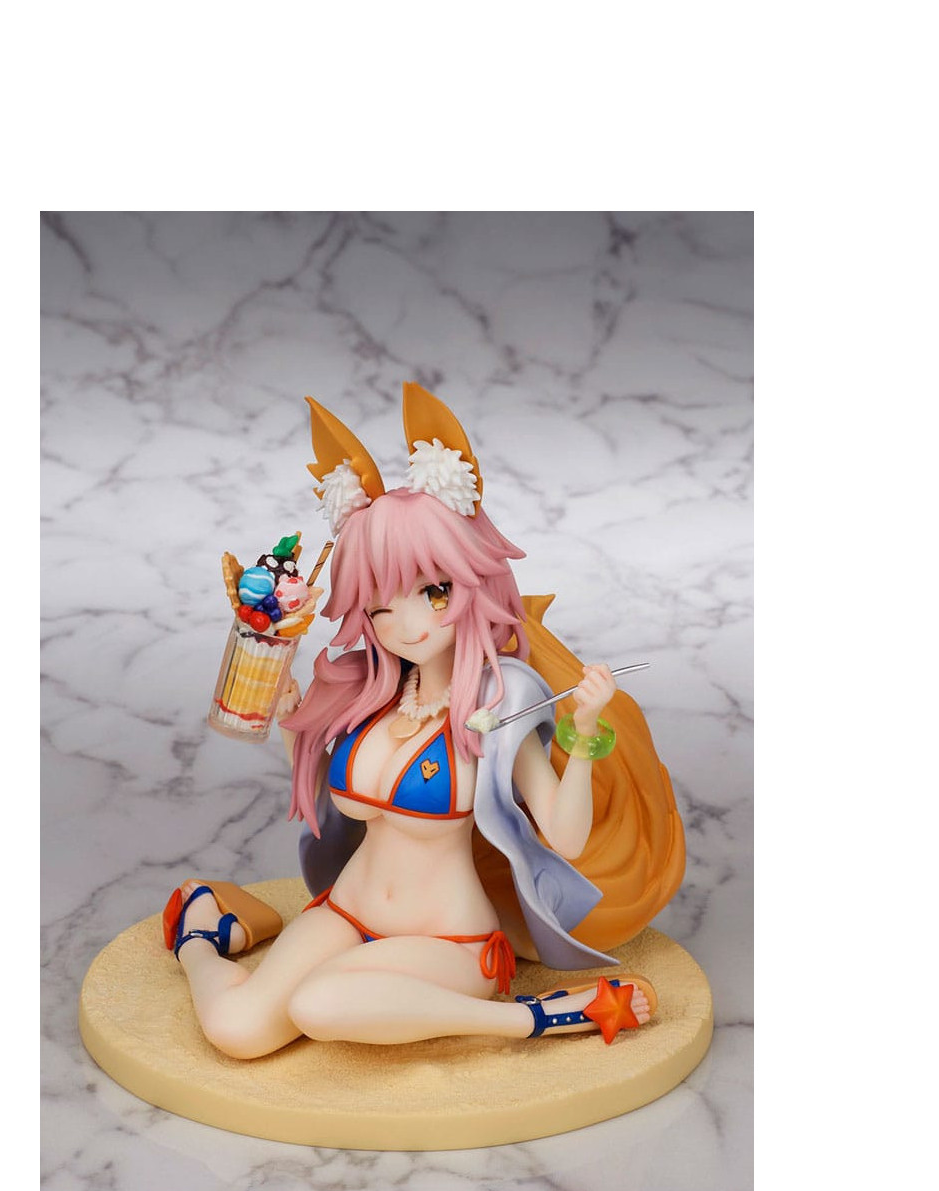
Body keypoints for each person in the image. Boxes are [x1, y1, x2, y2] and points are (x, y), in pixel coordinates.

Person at [162, 385, 657, 1059]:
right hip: (347, 911)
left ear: (472, 582)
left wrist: (587, 730)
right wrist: (291, 720)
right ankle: (202, 930)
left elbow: (565, 839)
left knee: (319, 1004)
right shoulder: (369, 692)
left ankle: (543, 1016)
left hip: (447, 940)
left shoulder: (500, 700)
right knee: (237, 1031)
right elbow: (323, 796)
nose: (408, 622)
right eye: (380, 602)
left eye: (434, 591)